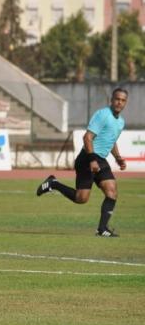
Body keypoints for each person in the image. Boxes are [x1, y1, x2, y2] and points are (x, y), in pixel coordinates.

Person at [36, 88, 128, 237]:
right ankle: (54, 184)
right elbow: (87, 137)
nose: (119, 103)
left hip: (101, 159)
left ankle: (102, 229)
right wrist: (92, 159)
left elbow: (111, 140)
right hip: (87, 157)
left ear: (125, 103)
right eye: (117, 99)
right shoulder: (103, 115)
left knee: (112, 191)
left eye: (123, 100)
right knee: (81, 198)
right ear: (111, 100)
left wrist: (118, 157)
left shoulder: (121, 122)